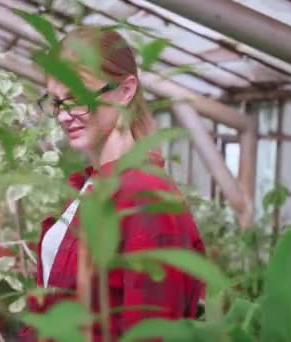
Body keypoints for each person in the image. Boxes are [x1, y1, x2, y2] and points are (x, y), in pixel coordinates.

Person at [19, 26, 205, 341]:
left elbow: (152, 331)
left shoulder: (146, 198)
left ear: (126, 90)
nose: (64, 116)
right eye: (56, 102)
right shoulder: (89, 186)